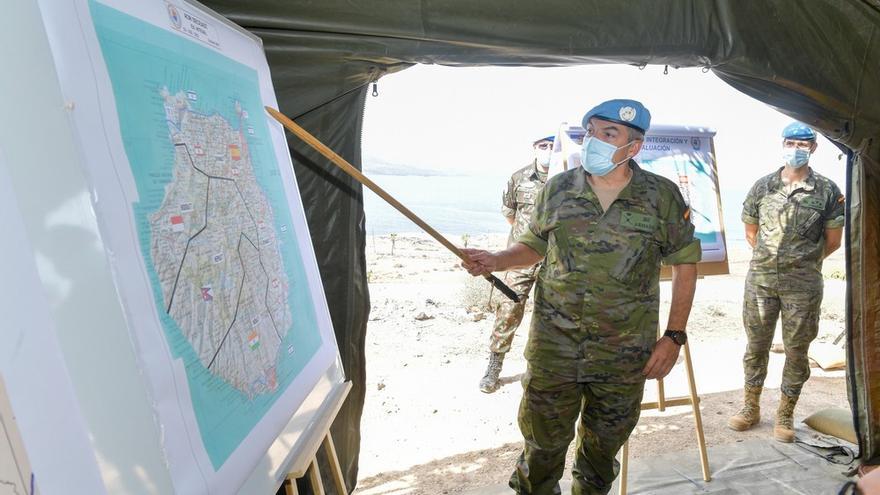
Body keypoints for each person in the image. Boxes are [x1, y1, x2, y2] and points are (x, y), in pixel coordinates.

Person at [462, 99, 700, 494]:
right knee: (541, 448)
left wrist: (674, 337)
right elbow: (533, 246)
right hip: (555, 346)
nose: (595, 141)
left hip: (623, 354)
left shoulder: (662, 197)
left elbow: (685, 265)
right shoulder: (558, 189)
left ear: (633, 147)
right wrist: (496, 260)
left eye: (609, 134)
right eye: (591, 132)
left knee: (601, 454)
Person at [728, 121, 845, 443]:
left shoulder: (827, 190)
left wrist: (800, 261)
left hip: (803, 285)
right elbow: (751, 232)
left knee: (796, 351)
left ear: (814, 149)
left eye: (803, 144)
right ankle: (750, 408)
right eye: (791, 142)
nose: (796, 149)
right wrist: (773, 260)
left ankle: (785, 413)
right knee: (756, 347)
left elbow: (833, 241)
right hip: (761, 282)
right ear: (782, 144)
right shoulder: (762, 186)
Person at [479, 135, 554, 394]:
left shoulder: (568, 179)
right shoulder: (519, 177)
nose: (548, 150)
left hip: (554, 260)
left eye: (553, 146)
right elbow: (510, 214)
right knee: (509, 308)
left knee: (551, 314)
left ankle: (540, 369)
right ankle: (494, 365)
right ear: (535, 148)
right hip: (521, 258)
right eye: (543, 145)